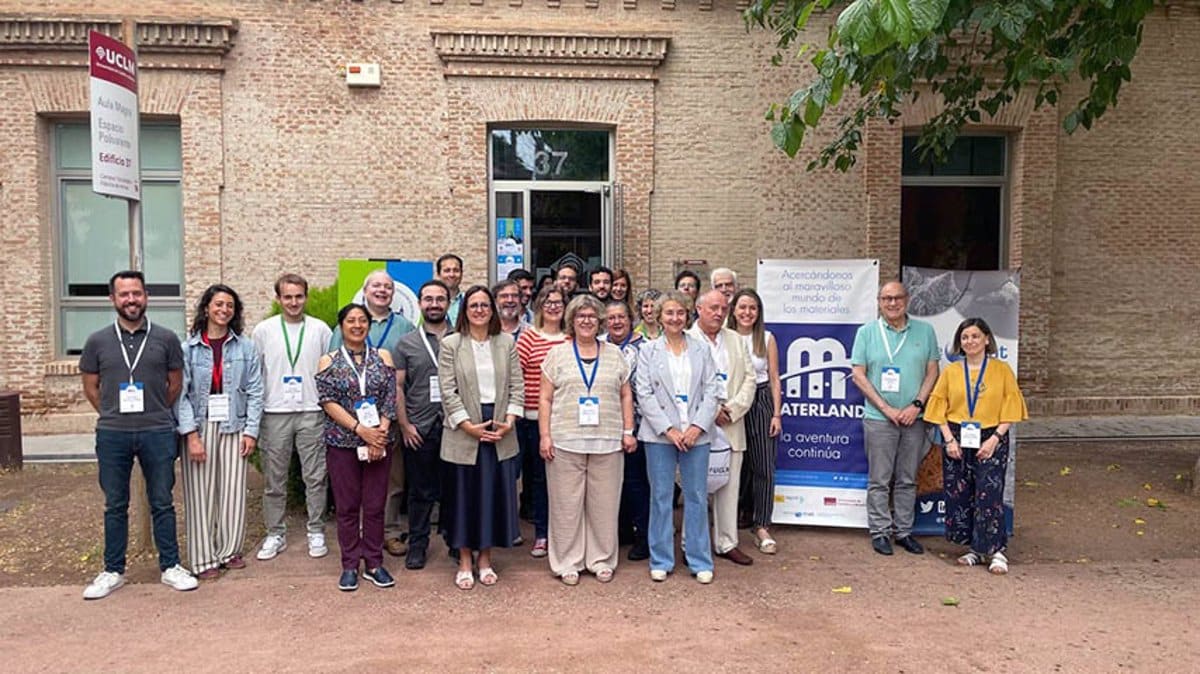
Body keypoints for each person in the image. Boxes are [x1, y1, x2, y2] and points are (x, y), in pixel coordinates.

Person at [79, 270, 198, 599]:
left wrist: (158, 409)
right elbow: (91, 387)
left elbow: (175, 383)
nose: (131, 300)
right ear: (113, 299)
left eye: (137, 293)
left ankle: (171, 566)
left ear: (146, 296)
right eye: (124, 294)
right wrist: (111, 411)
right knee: (115, 504)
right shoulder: (97, 341)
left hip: (157, 430)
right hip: (113, 433)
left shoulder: (166, 338)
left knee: (162, 501)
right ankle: (112, 570)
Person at [539, 295, 636, 585]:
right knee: (565, 505)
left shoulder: (615, 354)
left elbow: (625, 394)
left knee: (604, 504)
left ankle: (601, 559)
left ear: (600, 321)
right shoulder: (557, 354)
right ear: (572, 320)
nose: (586, 321)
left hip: (608, 441)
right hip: (565, 439)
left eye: (592, 316)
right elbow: (545, 398)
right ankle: (567, 561)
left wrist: (628, 431)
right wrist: (545, 436)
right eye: (580, 316)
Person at [924, 318, 1027, 575]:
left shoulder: (1001, 370)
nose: (970, 341)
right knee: (962, 494)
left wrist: (994, 439)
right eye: (965, 337)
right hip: (957, 437)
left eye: (975, 336)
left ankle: (996, 550)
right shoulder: (951, 372)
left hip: (991, 436)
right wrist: (948, 439)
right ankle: (974, 548)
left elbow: (1011, 409)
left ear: (987, 340)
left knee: (988, 495)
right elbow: (938, 408)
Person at [438, 285, 525, 590]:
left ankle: (485, 559)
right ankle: (464, 560)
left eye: (484, 305)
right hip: (465, 430)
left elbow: (518, 385)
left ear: (493, 310)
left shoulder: (506, 342)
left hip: (499, 427)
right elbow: (447, 391)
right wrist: (467, 426)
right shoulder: (451, 344)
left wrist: (509, 422)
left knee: (491, 498)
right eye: (473, 305)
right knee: (464, 499)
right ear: (465, 311)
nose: (479, 310)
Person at [175, 284, 265, 580]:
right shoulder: (187, 349)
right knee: (200, 493)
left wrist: (251, 431)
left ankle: (229, 550)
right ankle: (203, 559)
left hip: (234, 423)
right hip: (200, 426)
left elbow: (255, 390)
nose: (224, 310)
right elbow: (181, 396)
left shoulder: (246, 347)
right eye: (218, 304)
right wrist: (190, 435)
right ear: (206, 309)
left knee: (233, 490)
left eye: (230, 305)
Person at [635, 290, 721, 584]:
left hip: (697, 434)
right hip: (660, 436)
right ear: (659, 316)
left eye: (680, 313)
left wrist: (697, 426)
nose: (675, 318)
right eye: (669, 313)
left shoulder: (702, 349)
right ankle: (660, 558)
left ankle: (699, 559)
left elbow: (713, 391)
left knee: (697, 497)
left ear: (688, 316)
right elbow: (643, 394)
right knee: (661, 497)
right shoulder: (647, 351)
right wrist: (669, 430)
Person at [850, 280, 941, 556]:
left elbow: (933, 372)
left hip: (914, 418)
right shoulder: (866, 333)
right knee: (880, 479)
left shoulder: (925, 332)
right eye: (886, 298)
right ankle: (880, 532)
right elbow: (858, 374)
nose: (892, 303)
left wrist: (916, 405)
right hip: (879, 418)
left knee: (907, 478)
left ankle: (903, 531)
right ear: (879, 302)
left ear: (907, 300)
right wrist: (886, 408)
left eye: (897, 298)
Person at [315, 304, 398, 591]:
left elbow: (390, 397)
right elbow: (327, 401)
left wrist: (380, 434)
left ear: (369, 326)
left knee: (375, 506)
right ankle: (350, 564)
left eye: (363, 320)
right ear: (341, 326)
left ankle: (374, 563)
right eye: (351, 320)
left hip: (379, 442)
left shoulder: (383, 357)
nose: (357, 325)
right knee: (348, 507)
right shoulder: (328, 361)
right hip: (343, 443)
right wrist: (360, 429)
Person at [253, 273, 334, 561]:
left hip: (312, 410)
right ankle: (275, 533)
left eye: (298, 296)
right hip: (274, 412)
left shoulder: (321, 329)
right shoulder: (263, 331)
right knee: (274, 479)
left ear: (306, 297)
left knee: (315, 476)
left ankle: (316, 530)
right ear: (278, 299)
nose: (293, 302)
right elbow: (256, 373)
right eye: (287, 297)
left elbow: (329, 371)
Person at [333, 269, 413, 559]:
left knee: (390, 481)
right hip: (349, 422)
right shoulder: (346, 324)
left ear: (394, 293)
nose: (382, 290)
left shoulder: (405, 325)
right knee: (351, 488)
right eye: (376, 286)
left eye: (387, 287)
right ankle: (354, 546)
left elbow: (404, 377)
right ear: (365, 291)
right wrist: (356, 425)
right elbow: (331, 376)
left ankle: (388, 533)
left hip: (386, 418)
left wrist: (389, 423)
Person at [689, 290, 757, 567]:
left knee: (729, 488)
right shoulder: (684, 339)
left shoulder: (737, 340)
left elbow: (750, 379)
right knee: (695, 490)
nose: (719, 313)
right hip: (696, 427)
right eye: (713, 308)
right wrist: (710, 411)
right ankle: (692, 543)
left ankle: (727, 542)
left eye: (723, 308)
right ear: (698, 308)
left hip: (731, 424)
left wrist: (733, 409)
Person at [391, 280, 453, 571]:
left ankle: (456, 542)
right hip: (420, 426)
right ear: (419, 303)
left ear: (449, 303)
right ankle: (417, 544)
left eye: (440, 299)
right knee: (420, 491)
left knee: (455, 489)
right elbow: (399, 387)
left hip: (456, 425)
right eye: (429, 299)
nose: (434, 304)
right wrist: (404, 425)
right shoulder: (406, 343)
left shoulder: (461, 337)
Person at [514, 286, 568, 558]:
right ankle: (540, 534)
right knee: (535, 480)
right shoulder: (528, 338)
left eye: (558, 302)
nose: (553, 306)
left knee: (556, 481)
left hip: (563, 421)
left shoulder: (571, 339)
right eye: (548, 302)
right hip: (530, 420)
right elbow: (515, 376)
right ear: (539, 306)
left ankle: (555, 534)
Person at [727, 289, 783, 554]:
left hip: (760, 401)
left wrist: (776, 414)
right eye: (742, 307)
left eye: (753, 308)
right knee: (729, 465)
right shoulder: (724, 337)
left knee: (763, 466)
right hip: (730, 402)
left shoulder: (767, 338)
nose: (747, 313)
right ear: (733, 310)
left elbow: (774, 377)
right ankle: (726, 523)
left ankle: (761, 525)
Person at [605, 300, 649, 561]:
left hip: (640, 425)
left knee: (636, 483)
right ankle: (621, 531)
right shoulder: (600, 345)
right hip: (607, 424)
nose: (617, 322)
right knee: (613, 481)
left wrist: (631, 428)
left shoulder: (645, 347)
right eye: (611, 318)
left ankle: (643, 535)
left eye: (621, 317)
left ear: (631, 318)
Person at [438, 254, 465, 325]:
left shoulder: (469, 300)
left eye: (456, 270)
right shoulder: (431, 303)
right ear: (438, 274)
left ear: (461, 274)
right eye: (447, 271)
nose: (452, 274)